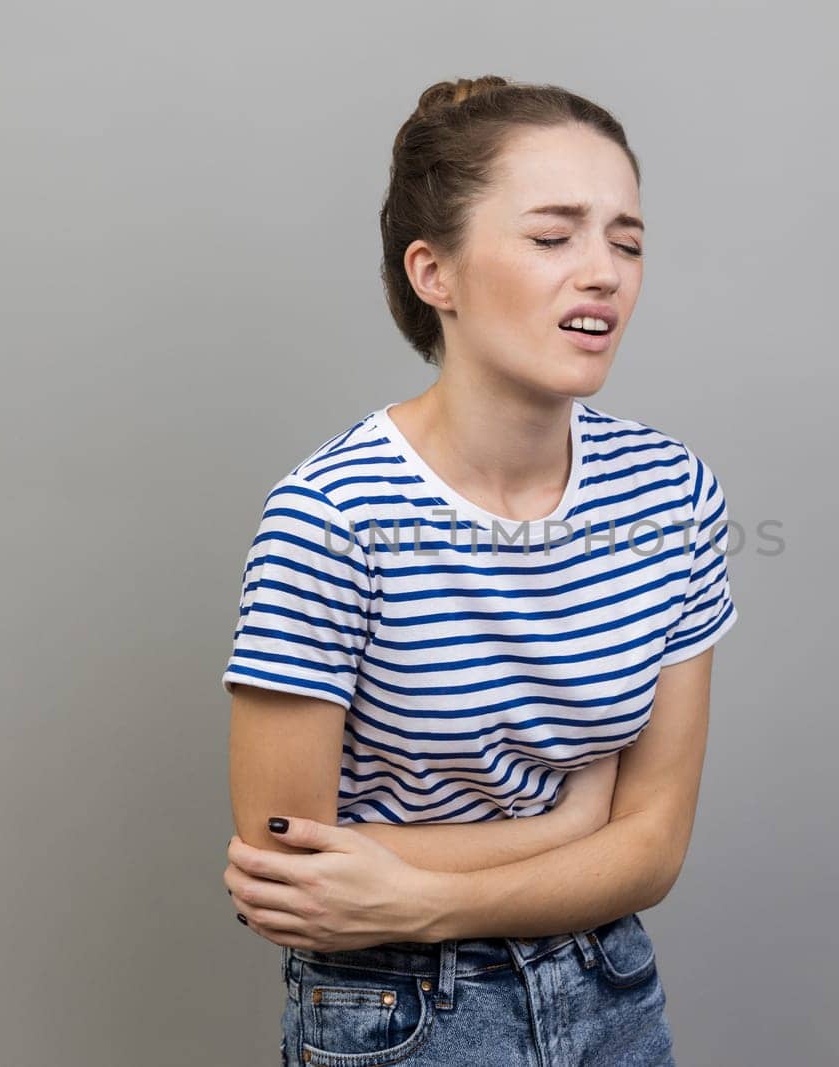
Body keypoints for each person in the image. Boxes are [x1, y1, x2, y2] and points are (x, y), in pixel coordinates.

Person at [220, 75, 738, 1067]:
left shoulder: (674, 496)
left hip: (611, 993)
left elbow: (656, 846)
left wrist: (427, 892)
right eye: (554, 238)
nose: (604, 272)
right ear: (434, 273)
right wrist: (579, 822)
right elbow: (286, 867)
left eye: (625, 241)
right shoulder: (331, 516)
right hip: (396, 1017)